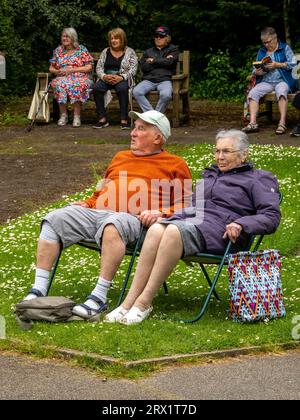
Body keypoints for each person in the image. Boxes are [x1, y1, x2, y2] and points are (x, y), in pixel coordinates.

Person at [22, 110, 192, 321]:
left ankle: (99, 297)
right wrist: (88, 203)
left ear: (158, 138)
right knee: (55, 218)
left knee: (114, 223)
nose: (133, 133)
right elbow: (103, 188)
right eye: (134, 127)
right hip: (99, 213)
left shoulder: (175, 164)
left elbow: (186, 204)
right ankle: (38, 290)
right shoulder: (120, 157)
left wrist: (161, 213)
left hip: (136, 221)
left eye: (141, 129)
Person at [105, 129, 281, 325]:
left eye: (226, 152)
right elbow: (192, 207)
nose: (219, 157)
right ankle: (127, 303)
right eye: (217, 151)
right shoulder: (211, 175)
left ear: (244, 154)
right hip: (195, 224)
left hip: (225, 234)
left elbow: (271, 217)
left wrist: (242, 223)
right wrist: (164, 214)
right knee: (156, 228)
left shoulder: (258, 178)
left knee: (173, 231)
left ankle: (144, 302)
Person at [242, 27, 297, 135]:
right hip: (266, 81)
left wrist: (278, 64)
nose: (266, 45)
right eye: (264, 43)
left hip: (282, 80)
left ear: (275, 38)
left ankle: (282, 123)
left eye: (268, 42)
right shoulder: (262, 51)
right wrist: (257, 72)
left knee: (281, 91)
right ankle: (253, 123)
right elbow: (254, 68)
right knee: (253, 93)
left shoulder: (284, 48)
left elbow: (294, 64)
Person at [92, 28, 138, 129]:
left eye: (116, 38)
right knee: (96, 88)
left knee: (122, 89)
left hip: (122, 78)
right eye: (112, 38)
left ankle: (124, 119)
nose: (113, 41)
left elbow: (134, 69)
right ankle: (102, 119)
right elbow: (99, 67)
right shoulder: (105, 51)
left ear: (122, 39)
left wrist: (121, 77)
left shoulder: (130, 52)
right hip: (107, 78)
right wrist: (104, 76)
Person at [49, 27, 94, 128]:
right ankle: (63, 115)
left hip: (81, 76)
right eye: (63, 36)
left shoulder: (81, 49)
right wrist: (57, 71)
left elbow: (89, 67)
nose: (64, 38)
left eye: (67, 36)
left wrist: (72, 70)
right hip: (62, 77)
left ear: (73, 38)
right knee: (59, 84)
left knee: (77, 84)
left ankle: (76, 116)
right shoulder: (58, 50)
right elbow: (51, 68)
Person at [133, 26, 179, 114]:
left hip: (164, 80)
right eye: (156, 36)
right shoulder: (148, 51)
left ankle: (154, 117)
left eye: (161, 36)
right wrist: (163, 61)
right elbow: (144, 67)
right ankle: (153, 116)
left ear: (167, 38)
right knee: (136, 92)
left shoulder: (173, 49)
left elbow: (169, 63)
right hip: (149, 79)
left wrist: (153, 61)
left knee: (166, 95)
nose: (158, 38)